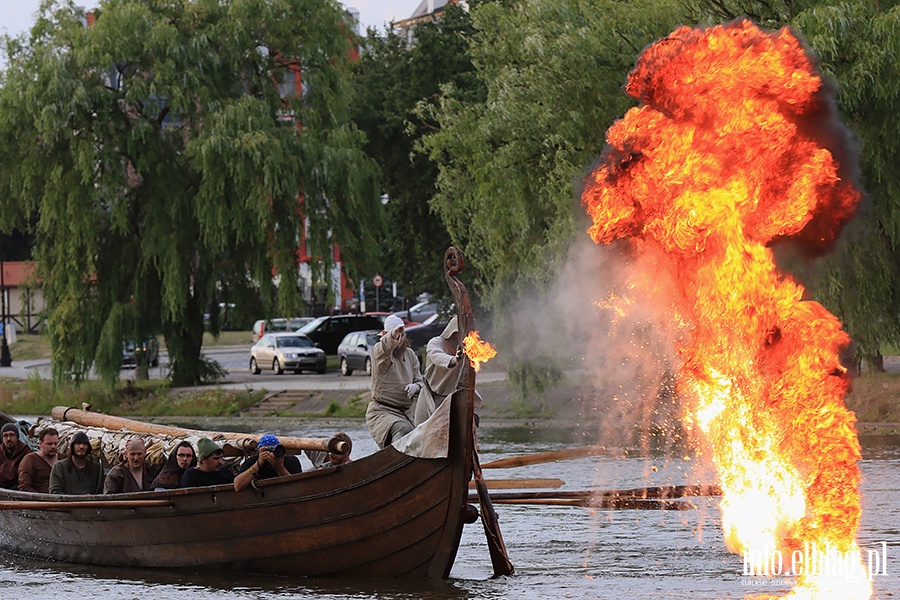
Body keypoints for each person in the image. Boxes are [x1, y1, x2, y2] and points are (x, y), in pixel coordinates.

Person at [366, 314, 424, 449]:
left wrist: (416, 386)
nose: (400, 340)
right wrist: (393, 335)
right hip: (382, 411)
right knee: (402, 428)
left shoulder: (410, 354)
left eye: (402, 336)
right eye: (396, 337)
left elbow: (420, 381)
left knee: (421, 437)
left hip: (405, 412)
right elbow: (385, 346)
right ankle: (395, 463)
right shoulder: (379, 353)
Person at [414, 316, 466, 425]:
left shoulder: (467, 350)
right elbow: (438, 356)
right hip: (430, 395)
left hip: (450, 399)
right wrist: (455, 359)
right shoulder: (435, 343)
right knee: (422, 432)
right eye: (458, 334)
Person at [233, 434, 302, 492]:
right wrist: (257, 465)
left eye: (273, 449)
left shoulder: (290, 460)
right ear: (258, 451)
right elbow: (238, 486)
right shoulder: (252, 461)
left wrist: (279, 467)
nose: (269, 453)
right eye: (265, 450)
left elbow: (299, 488)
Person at [18, 427, 60, 493]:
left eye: (55, 443)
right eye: (49, 444)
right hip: (38, 499)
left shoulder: (63, 458)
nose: (53, 447)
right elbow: (24, 487)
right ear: (40, 444)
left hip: (62, 498)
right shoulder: (30, 460)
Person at [0, 422, 31, 490]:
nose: (8, 438)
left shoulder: (26, 452)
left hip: (18, 486)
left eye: (12, 435)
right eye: (5, 436)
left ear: (17, 437)